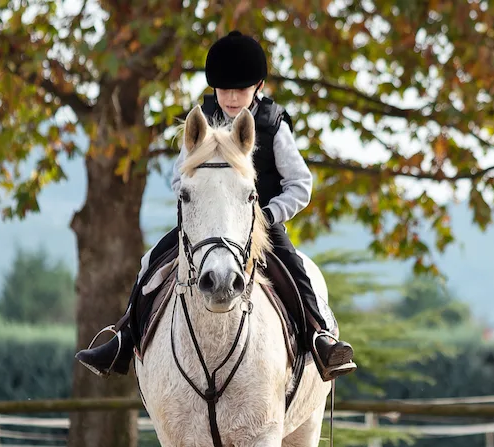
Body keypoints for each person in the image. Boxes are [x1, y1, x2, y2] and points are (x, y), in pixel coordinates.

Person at [75, 31, 356, 382]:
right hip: (204, 225)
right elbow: (180, 179)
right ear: (214, 89)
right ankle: (122, 340)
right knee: (150, 263)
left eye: (241, 90)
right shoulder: (200, 125)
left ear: (259, 86)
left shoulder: (271, 125)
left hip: (260, 224)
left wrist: (265, 215)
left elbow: (300, 185)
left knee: (295, 269)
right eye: (225, 90)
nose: (233, 98)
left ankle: (320, 338)